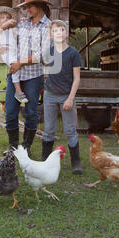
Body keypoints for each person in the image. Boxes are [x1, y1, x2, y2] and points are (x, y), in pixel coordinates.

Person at [6, 0, 51, 155]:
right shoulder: (23, 24)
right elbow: (9, 40)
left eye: (29, 6)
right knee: (10, 112)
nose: (27, 10)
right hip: (15, 75)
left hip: (33, 76)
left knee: (31, 112)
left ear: (40, 6)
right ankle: (12, 147)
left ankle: (26, 146)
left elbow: (44, 55)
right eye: (25, 7)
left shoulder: (48, 27)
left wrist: (21, 63)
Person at [42, 19, 83, 174]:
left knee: (70, 129)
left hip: (67, 96)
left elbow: (77, 78)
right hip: (50, 96)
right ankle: (45, 162)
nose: (59, 33)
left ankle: (76, 162)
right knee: (49, 129)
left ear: (66, 32)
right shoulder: (48, 52)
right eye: (55, 30)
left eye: (61, 30)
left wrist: (70, 98)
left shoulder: (73, 53)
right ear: (51, 35)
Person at [0, 6, 28, 104]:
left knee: (17, 66)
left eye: (7, 17)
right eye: (2, 17)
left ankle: (19, 90)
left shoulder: (12, 30)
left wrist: (23, 22)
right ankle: (18, 91)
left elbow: (21, 32)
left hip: (14, 51)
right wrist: (3, 26)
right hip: (5, 52)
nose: (5, 19)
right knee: (14, 66)